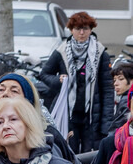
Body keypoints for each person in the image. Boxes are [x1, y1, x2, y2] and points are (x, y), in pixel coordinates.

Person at [39, 11, 114, 154]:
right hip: (68, 114)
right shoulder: (62, 51)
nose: (81, 32)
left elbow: (107, 89)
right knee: (68, 153)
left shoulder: (100, 52)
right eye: (77, 29)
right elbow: (44, 74)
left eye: (85, 28)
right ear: (71, 30)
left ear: (91, 30)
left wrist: (106, 123)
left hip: (92, 117)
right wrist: (58, 80)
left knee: (89, 156)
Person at [109, 61, 133, 136]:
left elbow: (117, 128)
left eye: (121, 79)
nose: (115, 83)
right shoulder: (125, 98)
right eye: (114, 80)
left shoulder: (128, 101)